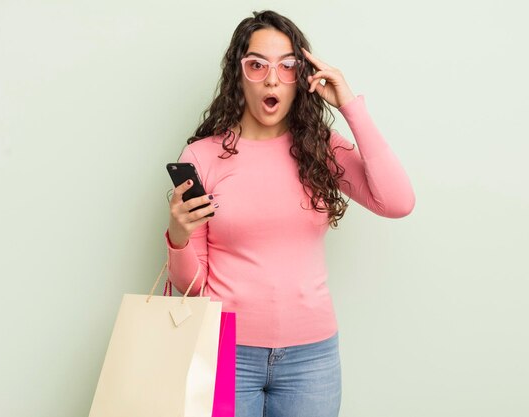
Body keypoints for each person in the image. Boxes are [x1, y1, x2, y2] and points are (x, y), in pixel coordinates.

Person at [164, 10, 415, 417]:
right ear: (239, 73)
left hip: (311, 360)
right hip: (225, 353)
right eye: (257, 65)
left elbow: (398, 202)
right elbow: (193, 287)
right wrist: (178, 235)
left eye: (287, 66)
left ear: (301, 76)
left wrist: (349, 105)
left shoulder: (321, 149)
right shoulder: (202, 156)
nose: (272, 78)